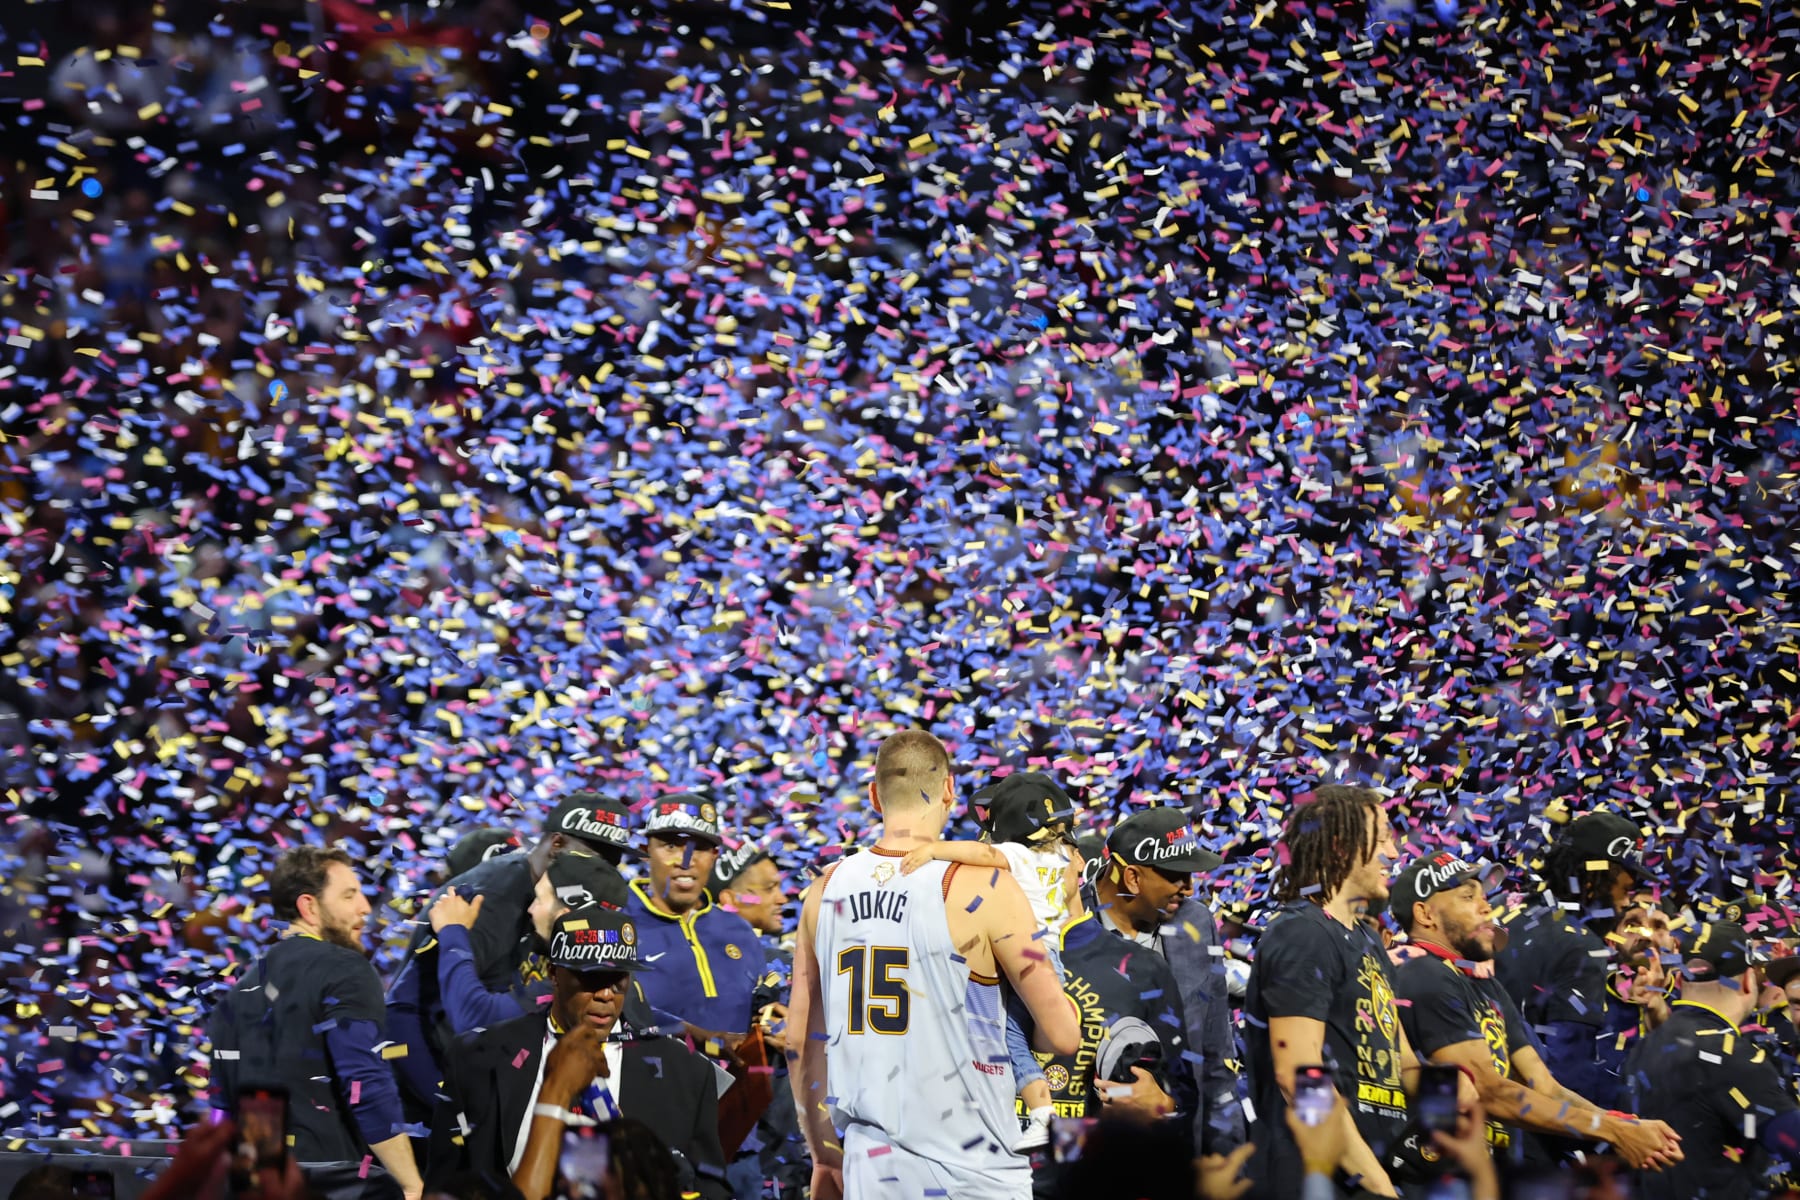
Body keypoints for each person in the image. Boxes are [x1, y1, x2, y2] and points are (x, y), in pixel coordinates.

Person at [788, 728, 1081, 1200]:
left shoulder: (824, 889)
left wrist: (824, 1154)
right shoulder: (983, 885)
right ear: (948, 789)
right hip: (975, 1170)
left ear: (874, 796)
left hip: (872, 1165)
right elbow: (1061, 1036)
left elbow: (800, 1042)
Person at [1385, 852, 1682, 1171]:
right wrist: (1614, 1131)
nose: (1486, 907)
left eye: (1484, 896)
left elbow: (1545, 1086)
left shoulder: (1485, 984)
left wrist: (1623, 1125)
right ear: (1425, 914)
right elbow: (1487, 1091)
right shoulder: (1421, 973)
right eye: (1468, 897)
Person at [1243, 784, 1466, 1200]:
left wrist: (1450, 1091)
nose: (1395, 853)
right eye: (1382, 838)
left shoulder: (1366, 940)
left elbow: (1400, 1062)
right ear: (1342, 846)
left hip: (1374, 1169)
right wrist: (1377, 1185)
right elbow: (1297, 1076)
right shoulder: (1301, 933)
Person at [432, 905, 729, 1200]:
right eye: (592, 978)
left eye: (617, 980)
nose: (605, 995)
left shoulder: (687, 1072)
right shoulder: (478, 1056)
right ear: (554, 974)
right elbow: (443, 1184)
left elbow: (711, 1189)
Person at [386, 799, 631, 1130]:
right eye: (597, 857)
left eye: (614, 861)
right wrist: (449, 1105)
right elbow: (411, 1010)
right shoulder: (485, 901)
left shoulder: (580, 911)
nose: (605, 870)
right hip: (443, 1084)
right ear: (556, 845)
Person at [207, 846, 423, 1200]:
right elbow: (366, 1083)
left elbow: (222, 1107)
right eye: (349, 895)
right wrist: (411, 1183)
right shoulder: (346, 970)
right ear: (309, 907)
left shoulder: (239, 991)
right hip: (334, 1186)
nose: (365, 908)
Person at [898, 770, 1085, 1150]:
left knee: (1007, 1035)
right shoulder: (1066, 857)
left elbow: (984, 853)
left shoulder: (1017, 854)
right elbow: (1076, 913)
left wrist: (935, 848)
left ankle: (1041, 1112)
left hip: (1025, 951)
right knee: (1025, 1033)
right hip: (1053, 955)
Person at [1085, 805, 1246, 1154]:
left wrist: (1226, 1155)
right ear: (1132, 878)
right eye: (1177, 876)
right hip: (1092, 1153)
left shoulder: (1196, 924)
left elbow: (1216, 1051)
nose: (1189, 888)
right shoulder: (1067, 922)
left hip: (1178, 1150)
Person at [1492, 810, 1653, 1113]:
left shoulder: (1502, 906)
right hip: (1526, 1126)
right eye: (1625, 889)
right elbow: (1569, 1072)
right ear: (1594, 878)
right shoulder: (1582, 947)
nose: (1626, 903)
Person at [1625, 921, 1800, 1199]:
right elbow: (1793, 1142)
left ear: (1680, 981)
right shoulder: (1728, 1051)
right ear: (1747, 980)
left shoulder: (1645, 1045)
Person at [427, 849, 634, 1036]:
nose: (531, 909)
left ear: (564, 919)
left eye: (540, 899)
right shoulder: (621, 969)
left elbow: (473, 1017)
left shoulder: (573, 987)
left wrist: (452, 931)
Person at [709, 843, 807, 1200]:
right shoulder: (778, 963)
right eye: (768, 889)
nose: (782, 898)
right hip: (764, 1159)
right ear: (730, 899)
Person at [624, 796, 766, 1037]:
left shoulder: (738, 929)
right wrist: (700, 1038)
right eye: (671, 846)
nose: (685, 861)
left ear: (714, 856)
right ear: (645, 852)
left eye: (698, 848)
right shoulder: (617, 925)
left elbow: (764, 1001)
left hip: (739, 1074)